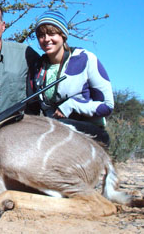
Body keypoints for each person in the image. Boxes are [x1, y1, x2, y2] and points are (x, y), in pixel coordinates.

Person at [31, 11, 113, 145]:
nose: (46, 39)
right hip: (54, 129)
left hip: (89, 133)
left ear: (63, 35)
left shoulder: (85, 59)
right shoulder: (38, 66)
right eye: (41, 35)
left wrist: (71, 105)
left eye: (52, 33)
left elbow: (107, 106)